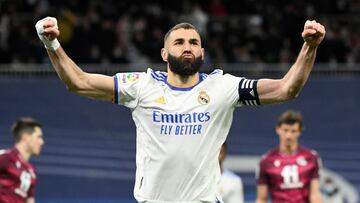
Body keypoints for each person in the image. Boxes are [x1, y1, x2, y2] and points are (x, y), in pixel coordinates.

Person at [35, 16, 325, 202]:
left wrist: (309, 47)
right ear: (164, 53)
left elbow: (287, 88)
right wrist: (51, 43)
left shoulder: (223, 88)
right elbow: (79, 82)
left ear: (202, 53)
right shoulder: (141, 86)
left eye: (194, 42)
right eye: (179, 42)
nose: (187, 47)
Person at [255, 110, 322, 203]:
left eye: (293, 131)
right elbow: (261, 199)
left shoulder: (311, 157)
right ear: (278, 129)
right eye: (285, 130)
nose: (289, 135)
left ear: (299, 132)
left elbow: (315, 194)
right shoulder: (266, 161)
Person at [0, 117, 44, 203]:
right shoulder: (5, 157)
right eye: (38, 137)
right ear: (26, 137)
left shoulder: (31, 171)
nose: (42, 142)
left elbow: (29, 200)